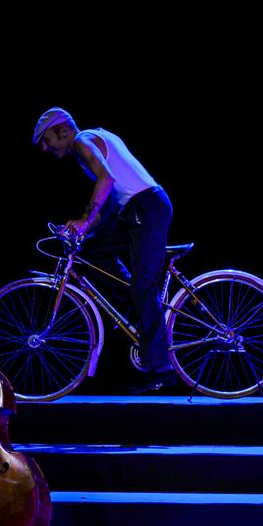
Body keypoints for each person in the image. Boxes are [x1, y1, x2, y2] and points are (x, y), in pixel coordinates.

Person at [33, 107, 175, 393]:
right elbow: (109, 200)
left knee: (143, 288)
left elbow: (107, 181)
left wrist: (86, 220)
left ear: (62, 130)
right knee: (92, 251)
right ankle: (141, 314)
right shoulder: (93, 140)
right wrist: (85, 229)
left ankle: (162, 367)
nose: (46, 149)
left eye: (47, 140)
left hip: (146, 207)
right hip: (134, 209)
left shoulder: (83, 141)